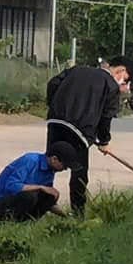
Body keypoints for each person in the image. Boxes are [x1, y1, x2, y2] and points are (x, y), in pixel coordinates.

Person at [45, 54, 122, 216]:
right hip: (79, 131)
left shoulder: (76, 70)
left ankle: (39, 206)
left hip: (56, 121)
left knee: (48, 163)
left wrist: (54, 105)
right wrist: (104, 141)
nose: (124, 82)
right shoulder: (111, 85)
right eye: (126, 78)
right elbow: (106, 117)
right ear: (121, 70)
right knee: (79, 172)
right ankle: (78, 213)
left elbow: (53, 83)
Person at [0, 143, 75, 223]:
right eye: (64, 166)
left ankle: (27, 224)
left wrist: (66, 216)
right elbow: (11, 186)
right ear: (54, 159)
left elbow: (46, 202)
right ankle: (14, 224)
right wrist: (40, 187)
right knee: (30, 196)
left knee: (50, 195)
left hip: (15, 204)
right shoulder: (30, 160)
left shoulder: (49, 172)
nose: (64, 169)